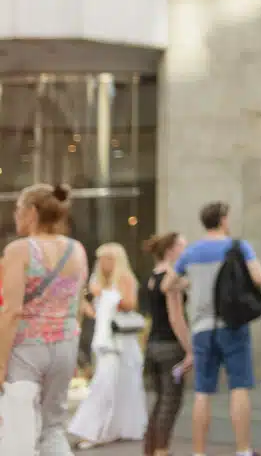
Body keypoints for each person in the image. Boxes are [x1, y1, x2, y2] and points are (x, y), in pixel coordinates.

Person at [166, 201, 261, 456]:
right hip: (232, 325)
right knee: (239, 387)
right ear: (223, 220)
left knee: (202, 392)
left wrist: (193, 285)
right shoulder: (238, 247)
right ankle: (243, 450)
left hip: (201, 328)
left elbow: (168, 285)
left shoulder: (191, 252)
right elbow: (259, 278)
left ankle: (199, 453)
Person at [0, 183, 88, 454]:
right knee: (53, 427)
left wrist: (0, 363)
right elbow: (78, 305)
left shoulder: (20, 250)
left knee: (19, 427)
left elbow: (11, 311)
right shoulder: (76, 249)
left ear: (31, 212)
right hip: (64, 345)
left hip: (27, 348)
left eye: (17, 210)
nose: (15, 216)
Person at [69, 242, 149, 447]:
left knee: (107, 386)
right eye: (101, 258)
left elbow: (130, 304)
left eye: (107, 258)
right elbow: (98, 313)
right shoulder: (97, 281)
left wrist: (103, 295)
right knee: (108, 385)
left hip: (120, 343)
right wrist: (84, 302)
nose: (103, 263)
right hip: (104, 340)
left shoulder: (124, 278)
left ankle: (95, 432)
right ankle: (104, 429)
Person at [141, 232, 193, 456]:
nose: (186, 250)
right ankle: (161, 450)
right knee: (170, 402)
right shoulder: (170, 280)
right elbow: (176, 317)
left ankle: (151, 449)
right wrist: (190, 349)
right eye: (183, 245)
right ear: (171, 250)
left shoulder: (152, 277)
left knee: (160, 401)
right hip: (170, 347)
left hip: (153, 345)